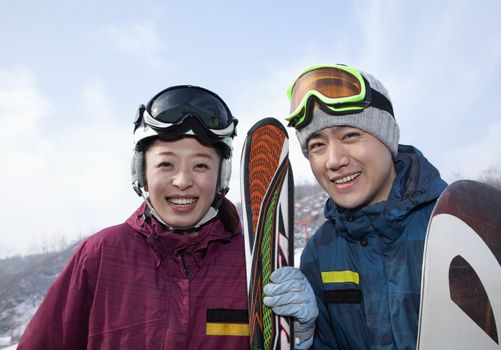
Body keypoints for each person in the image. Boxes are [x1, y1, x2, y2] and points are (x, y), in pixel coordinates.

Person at [17, 85, 250, 349]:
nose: (183, 181)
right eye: (166, 164)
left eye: (200, 165)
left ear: (222, 176)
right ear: (142, 173)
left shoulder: (249, 262)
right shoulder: (101, 255)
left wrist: (302, 335)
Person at [263, 64, 448, 349]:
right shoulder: (320, 252)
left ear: (388, 139)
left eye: (350, 136)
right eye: (317, 145)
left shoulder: (452, 223)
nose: (333, 160)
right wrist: (304, 335)